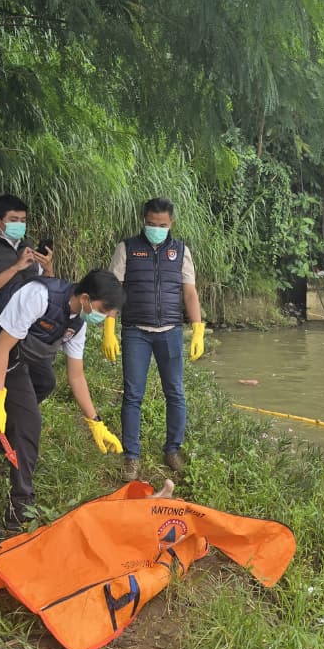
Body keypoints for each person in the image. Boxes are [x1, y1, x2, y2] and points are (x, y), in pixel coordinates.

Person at [0, 269, 125, 542]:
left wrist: (95, 421)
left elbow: (76, 375)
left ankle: (21, 505)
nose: (103, 317)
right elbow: (0, 347)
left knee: (29, 424)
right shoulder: (40, 295)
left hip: (10, 359)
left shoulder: (78, 323)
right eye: (104, 309)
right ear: (87, 298)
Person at [102, 198, 205, 482]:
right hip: (136, 331)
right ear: (143, 220)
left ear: (171, 223)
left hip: (170, 331)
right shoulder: (127, 249)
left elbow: (190, 293)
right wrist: (109, 325)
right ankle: (131, 457)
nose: (156, 229)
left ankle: (173, 450)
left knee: (176, 393)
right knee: (133, 395)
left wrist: (197, 329)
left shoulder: (181, 252)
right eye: (151, 224)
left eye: (162, 225)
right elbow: (114, 289)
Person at [0, 193, 56, 402]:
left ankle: (16, 416)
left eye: (23, 221)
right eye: (13, 220)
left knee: (45, 381)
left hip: (28, 327)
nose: (20, 225)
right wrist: (16, 267)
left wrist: (48, 268)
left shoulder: (29, 247)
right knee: (5, 378)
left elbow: (45, 287)